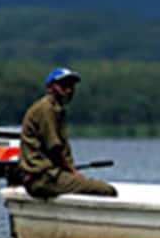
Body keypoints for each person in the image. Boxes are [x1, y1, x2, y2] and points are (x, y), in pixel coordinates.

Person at [18, 67, 117, 199]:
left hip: (48, 175)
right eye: (63, 85)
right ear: (50, 87)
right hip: (43, 179)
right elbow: (55, 148)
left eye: (71, 86)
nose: (69, 90)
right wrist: (73, 172)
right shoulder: (46, 109)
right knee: (107, 190)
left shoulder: (55, 109)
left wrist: (69, 173)